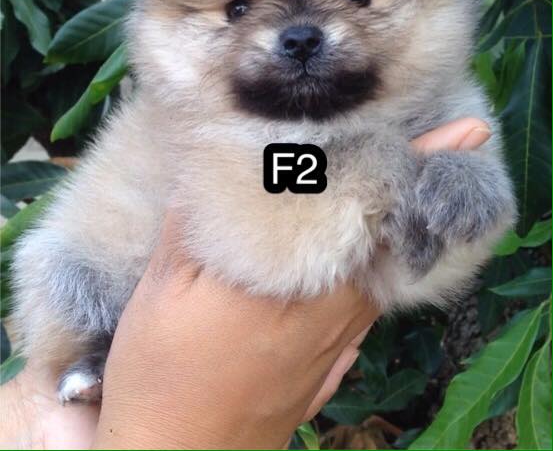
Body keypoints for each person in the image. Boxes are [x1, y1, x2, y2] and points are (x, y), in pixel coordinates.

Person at [1, 118, 492, 450]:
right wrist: (171, 431)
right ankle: (96, 361)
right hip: (100, 289)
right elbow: (268, 190)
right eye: (238, 7)